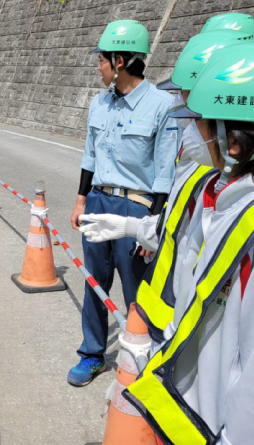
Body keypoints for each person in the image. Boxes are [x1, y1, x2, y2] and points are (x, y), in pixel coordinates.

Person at [123, 40, 254, 445]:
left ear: (232, 142)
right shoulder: (224, 201)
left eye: (199, 123)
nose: (190, 133)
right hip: (190, 423)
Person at [67, 20, 179, 387]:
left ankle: (143, 362)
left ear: (119, 61)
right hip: (98, 201)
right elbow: (89, 156)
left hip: (136, 208)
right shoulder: (99, 102)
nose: (96, 67)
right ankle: (92, 354)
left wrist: (153, 223)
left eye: (100, 60)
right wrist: (81, 200)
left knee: (137, 293)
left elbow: (164, 172)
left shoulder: (162, 106)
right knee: (95, 284)